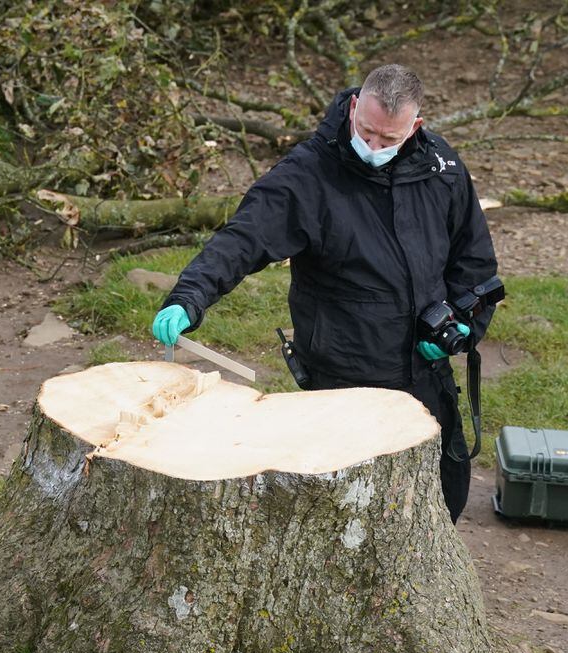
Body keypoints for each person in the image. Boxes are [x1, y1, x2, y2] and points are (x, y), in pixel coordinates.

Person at [150, 64, 500, 522]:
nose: (373, 148)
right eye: (366, 132)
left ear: (415, 127)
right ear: (354, 107)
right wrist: (188, 296)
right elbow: (243, 239)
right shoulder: (309, 175)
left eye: (388, 140)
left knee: (439, 501)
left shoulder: (442, 170)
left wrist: (461, 323)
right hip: (341, 377)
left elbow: (474, 264)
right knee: (337, 515)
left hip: (424, 373)